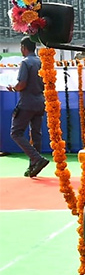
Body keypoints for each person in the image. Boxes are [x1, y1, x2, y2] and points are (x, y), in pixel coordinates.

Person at [7, 36, 49, 177]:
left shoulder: (25, 63)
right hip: (40, 101)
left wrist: (13, 87)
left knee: (16, 132)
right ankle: (33, 166)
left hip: (27, 103)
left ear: (23, 47)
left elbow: (22, 84)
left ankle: (36, 159)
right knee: (36, 134)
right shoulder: (41, 62)